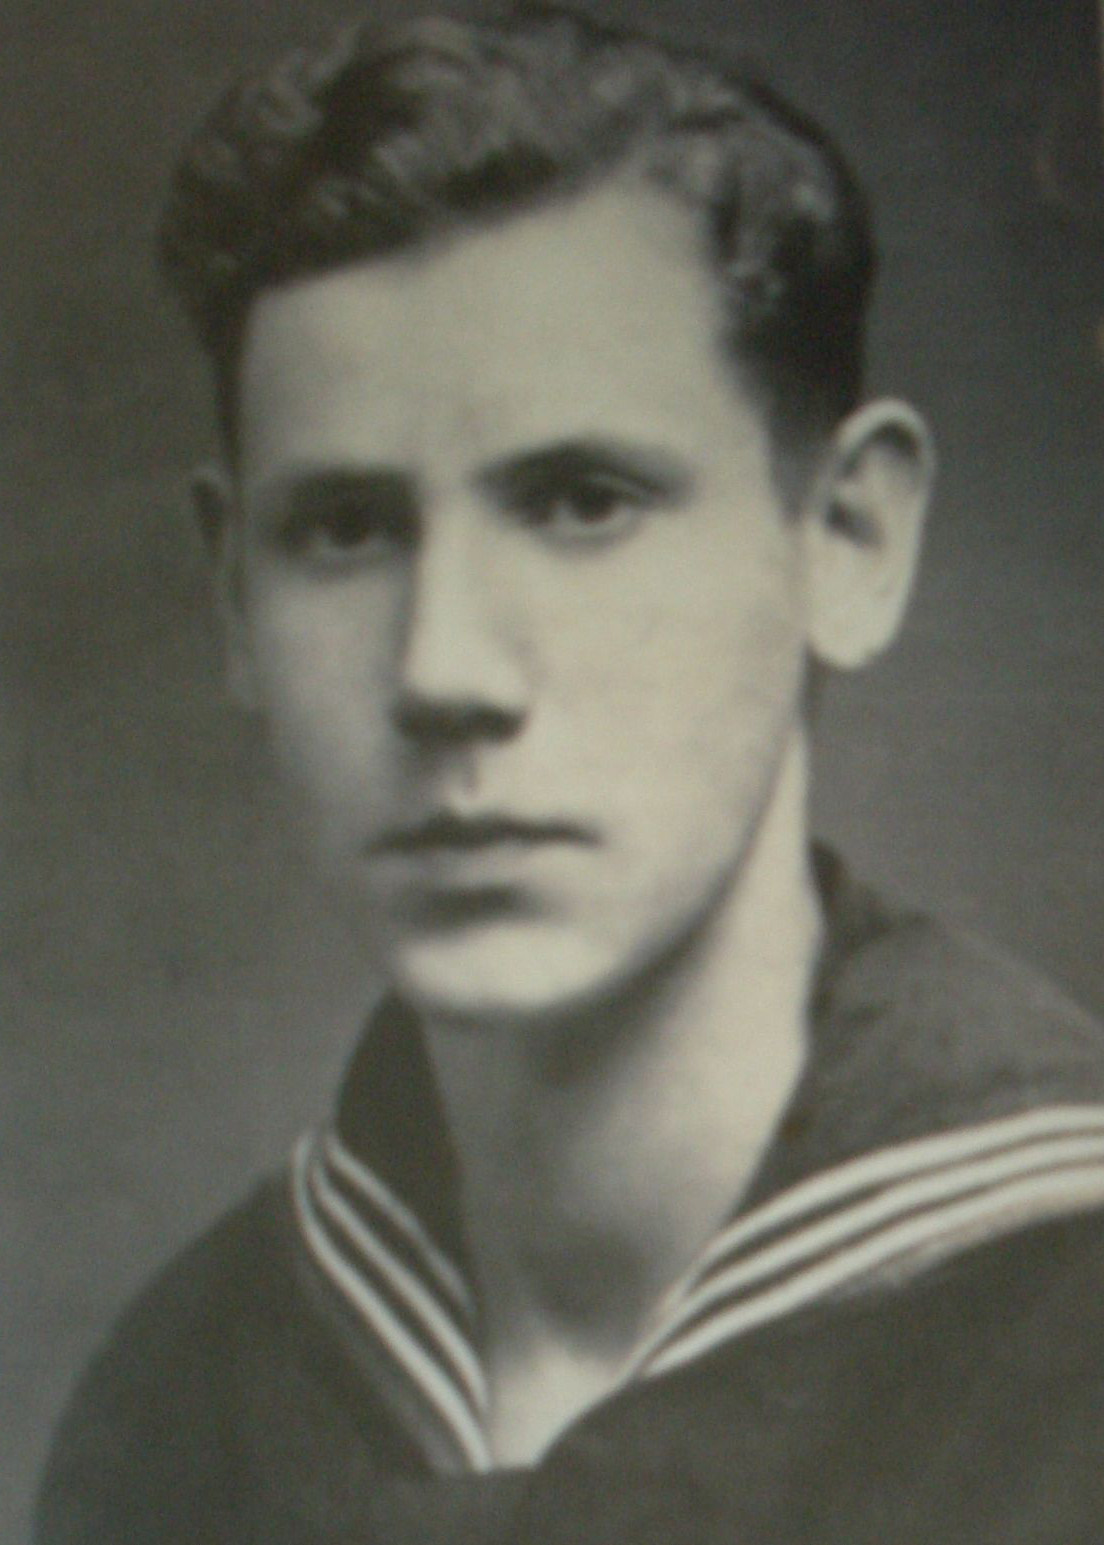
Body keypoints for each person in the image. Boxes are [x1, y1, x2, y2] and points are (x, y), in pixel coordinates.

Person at [35, 7, 1104, 1542]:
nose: (444, 668)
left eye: (584, 500)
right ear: (232, 602)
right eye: (343, 527)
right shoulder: (176, 1413)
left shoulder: (1068, 1319)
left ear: (850, 540)